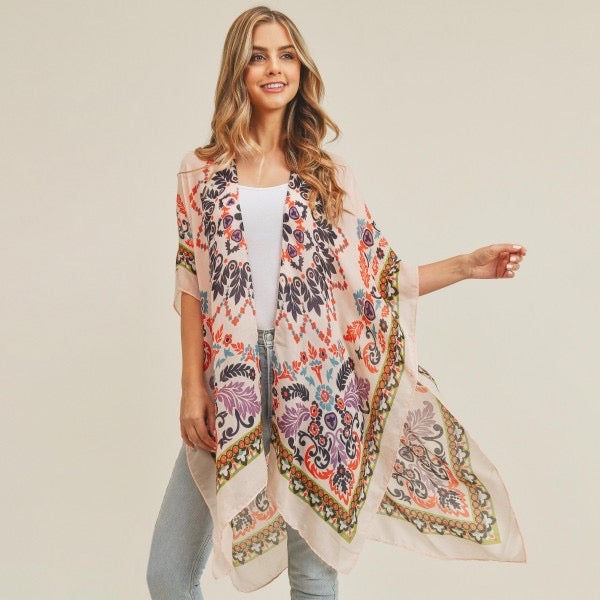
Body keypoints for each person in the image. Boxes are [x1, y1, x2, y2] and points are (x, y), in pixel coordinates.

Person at [146, 6, 527, 599]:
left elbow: (377, 280)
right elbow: (191, 283)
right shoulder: (199, 172)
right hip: (233, 379)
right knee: (169, 573)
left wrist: (465, 266)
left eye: (286, 55)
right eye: (258, 56)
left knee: (313, 578)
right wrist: (191, 387)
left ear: (301, 68)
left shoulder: (328, 174)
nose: (274, 68)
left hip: (317, 384)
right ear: (237, 70)